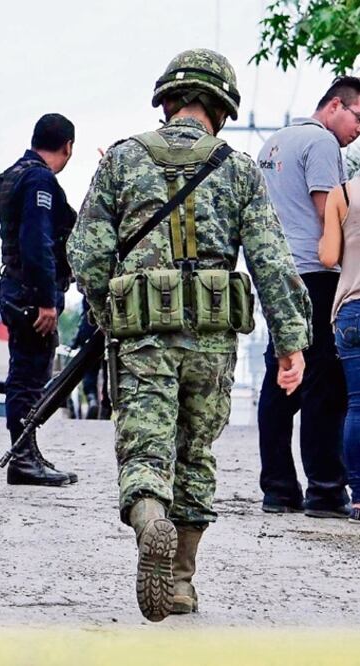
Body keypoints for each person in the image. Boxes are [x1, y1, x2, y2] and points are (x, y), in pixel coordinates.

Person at [70, 49, 311, 622]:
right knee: (196, 454)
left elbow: (86, 255)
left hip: (144, 339)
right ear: (221, 108)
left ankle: (151, 519)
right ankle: (180, 581)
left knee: (146, 448)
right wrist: (290, 342)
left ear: (167, 101)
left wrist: (115, 315)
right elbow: (273, 262)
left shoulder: (123, 160)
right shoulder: (238, 168)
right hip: (210, 342)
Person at [256, 77, 360, 518]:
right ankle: (325, 489)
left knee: (280, 377)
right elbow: (328, 215)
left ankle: (278, 488)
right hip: (316, 275)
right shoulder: (321, 144)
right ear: (335, 105)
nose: (358, 130)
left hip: (277, 272)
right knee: (325, 384)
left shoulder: (273, 144)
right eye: (358, 117)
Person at [0, 113, 78, 486]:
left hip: (15, 287)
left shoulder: (13, 174)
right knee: (29, 379)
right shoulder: (40, 179)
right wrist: (48, 300)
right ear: (68, 147)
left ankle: (27, 452)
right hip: (31, 295)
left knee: (25, 374)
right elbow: (37, 241)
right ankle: (24, 459)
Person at [318, 176, 360, 522]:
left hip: (352, 309)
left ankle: (359, 498)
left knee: (357, 406)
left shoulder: (342, 193)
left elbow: (329, 256)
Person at [72, 297, 110, 420]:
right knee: (108, 370)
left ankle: (92, 398)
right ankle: (106, 408)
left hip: (91, 325)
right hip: (112, 325)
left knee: (89, 369)